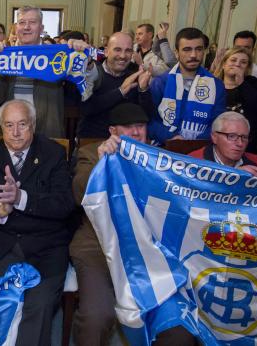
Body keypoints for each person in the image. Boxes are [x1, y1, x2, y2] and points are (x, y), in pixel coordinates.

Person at [72, 102, 197, 346]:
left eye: (140, 126)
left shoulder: (161, 161)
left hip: (153, 253)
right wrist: (101, 164)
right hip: (99, 248)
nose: (137, 133)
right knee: (96, 317)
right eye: (128, 127)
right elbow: (79, 194)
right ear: (112, 131)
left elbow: (191, 190)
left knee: (179, 329)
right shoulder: (91, 152)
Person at [0, 99, 75, 346]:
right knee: (1, 302)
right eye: (8, 125)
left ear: (34, 125)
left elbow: (64, 205)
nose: (15, 133)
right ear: (0, 129)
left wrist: (21, 198)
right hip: (1, 247)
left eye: (22, 125)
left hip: (45, 249)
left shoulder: (53, 153)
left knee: (38, 306)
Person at [0, 6, 91, 139]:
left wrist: (84, 58)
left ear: (41, 28)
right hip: (9, 135)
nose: (26, 27)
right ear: (16, 28)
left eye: (32, 22)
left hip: (46, 133)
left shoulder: (58, 55)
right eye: (22, 23)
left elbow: (90, 87)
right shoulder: (3, 55)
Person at [149, 27, 226, 144]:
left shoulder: (217, 86)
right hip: (163, 149)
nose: (193, 55)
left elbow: (218, 123)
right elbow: (150, 119)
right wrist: (171, 138)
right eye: (187, 49)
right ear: (176, 52)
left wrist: (193, 143)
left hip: (200, 151)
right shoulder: (160, 83)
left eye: (199, 49)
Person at [78, 32, 153, 139]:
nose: (123, 56)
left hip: (128, 144)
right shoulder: (92, 72)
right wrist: (120, 91)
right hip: (93, 141)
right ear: (106, 52)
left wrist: (143, 90)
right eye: (117, 50)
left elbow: (147, 116)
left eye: (128, 51)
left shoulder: (136, 74)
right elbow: (86, 109)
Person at [212, 46, 257, 152]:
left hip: (247, 145)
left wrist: (242, 84)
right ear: (224, 64)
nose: (237, 64)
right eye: (233, 60)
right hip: (215, 141)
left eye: (243, 62)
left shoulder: (255, 84)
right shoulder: (213, 85)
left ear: (247, 68)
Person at [189, 112, 257, 175]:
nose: (240, 143)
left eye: (244, 137)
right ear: (214, 137)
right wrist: (235, 175)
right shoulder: (193, 162)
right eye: (231, 136)